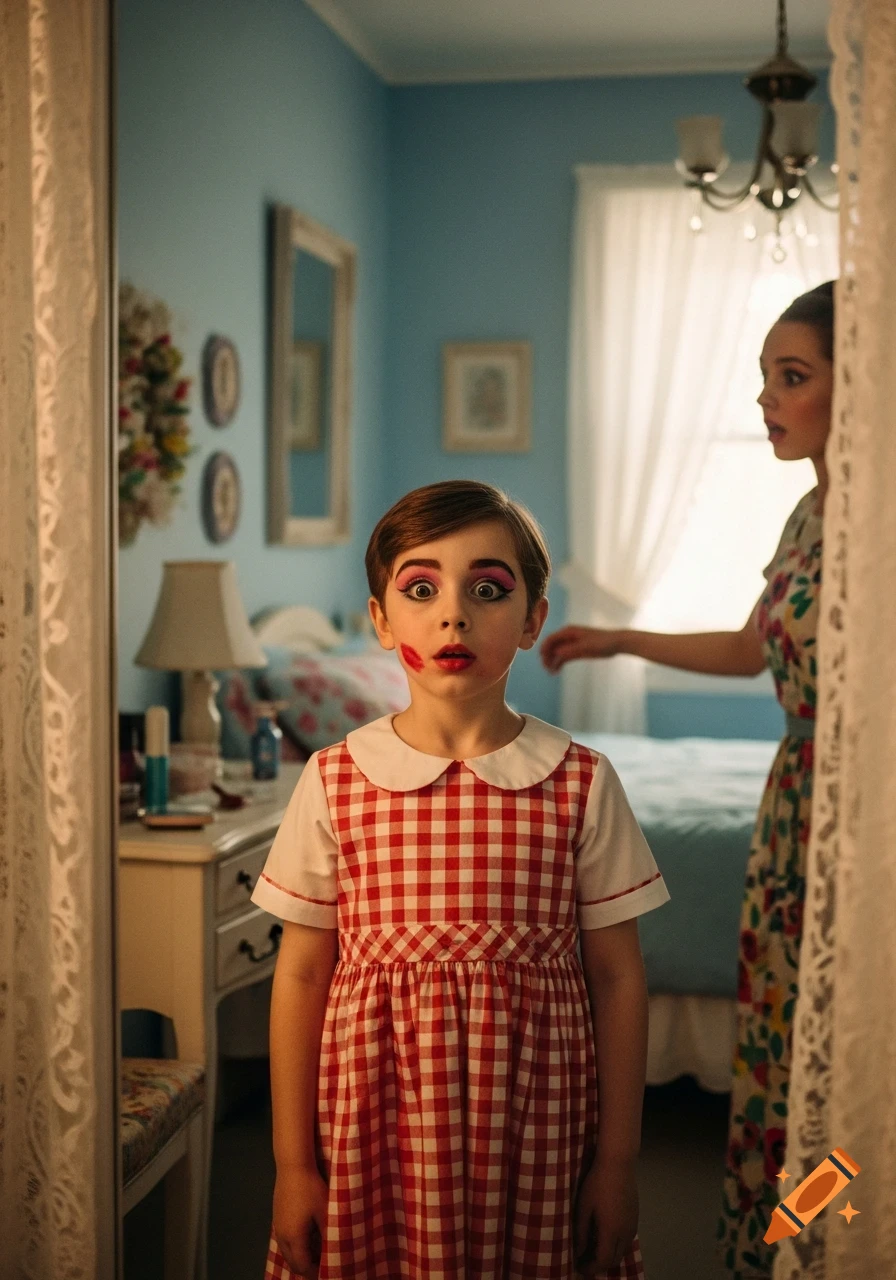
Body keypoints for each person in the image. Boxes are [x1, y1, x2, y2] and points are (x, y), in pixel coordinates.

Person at [251, 479, 670, 1280]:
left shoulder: (580, 781)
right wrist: (293, 1165)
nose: (454, 614)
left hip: (536, 1130)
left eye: (487, 589)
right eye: (420, 588)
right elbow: (302, 972)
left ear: (532, 620)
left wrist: (616, 1164)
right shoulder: (334, 780)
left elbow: (618, 978)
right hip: (373, 1127)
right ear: (380, 620)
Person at [540, 282, 835, 1278]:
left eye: (790, 377)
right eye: (763, 377)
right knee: (788, 1051)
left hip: (852, 813)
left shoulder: (875, 518)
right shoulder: (808, 513)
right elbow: (758, 648)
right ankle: (785, 1246)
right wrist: (620, 635)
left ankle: (832, 1238)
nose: (765, 399)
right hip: (792, 798)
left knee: (840, 1054)